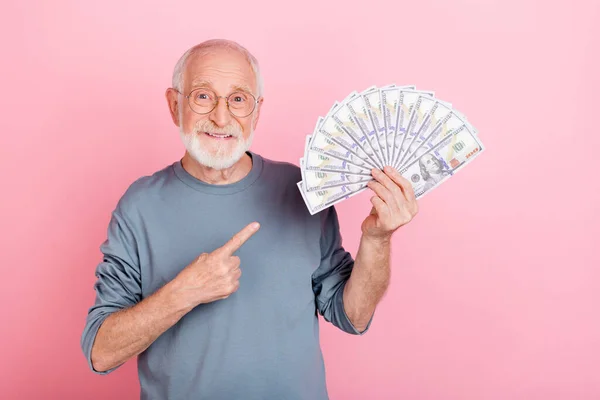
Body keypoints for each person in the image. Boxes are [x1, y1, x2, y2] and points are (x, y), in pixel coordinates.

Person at [80, 39, 419, 400]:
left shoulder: (302, 191)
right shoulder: (139, 206)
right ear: (174, 105)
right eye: (203, 96)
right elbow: (101, 353)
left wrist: (377, 239)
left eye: (238, 99)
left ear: (256, 112)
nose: (221, 118)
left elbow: (352, 316)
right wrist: (183, 293)